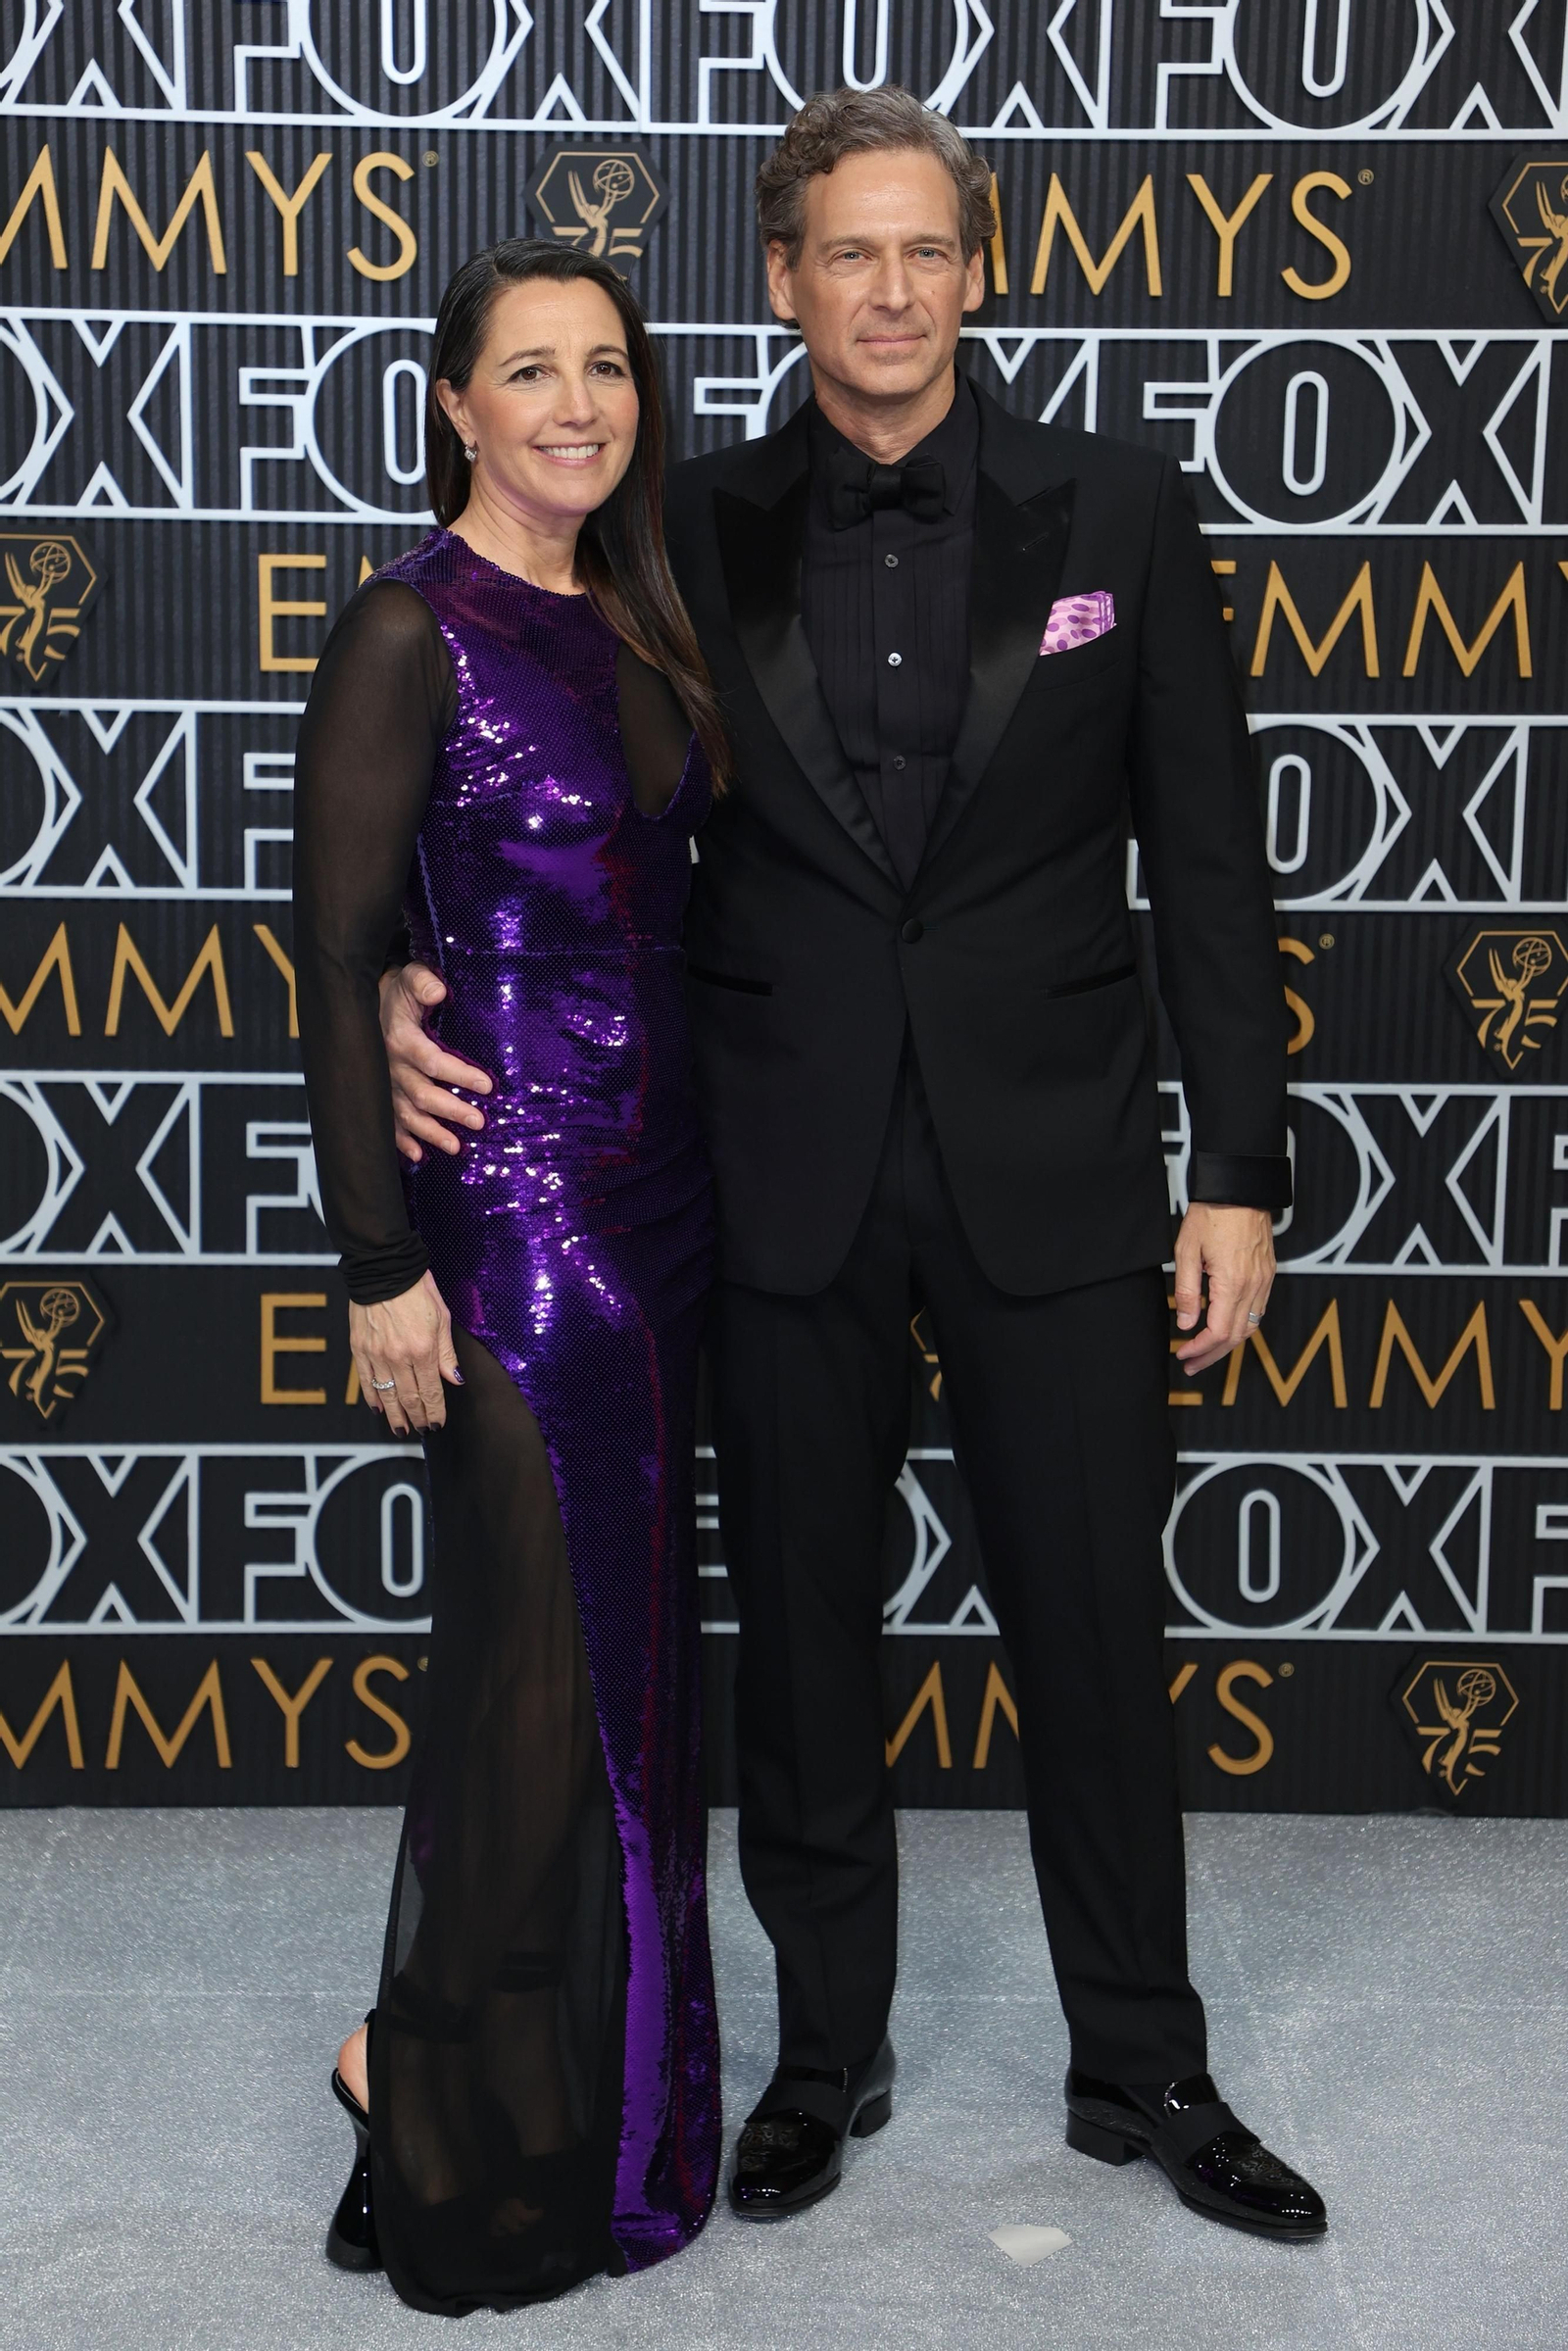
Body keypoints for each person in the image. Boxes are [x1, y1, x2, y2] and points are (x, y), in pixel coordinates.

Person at [378, 88, 1328, 2242]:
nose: (887, 292)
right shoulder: (675, 530)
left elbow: (1206, 860)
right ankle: (822, 2057)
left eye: (925, 253)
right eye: (844, 256)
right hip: (770, 1169)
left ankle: (1144, 2064)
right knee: (802, 1647)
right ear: (784, 278)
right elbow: (526, 785)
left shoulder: (1118, 509)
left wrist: (1239, 1170)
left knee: (1090, 1631)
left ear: (974, 273)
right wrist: (384, 985)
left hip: (1062, 1176)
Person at [291, 238, 728, 2314]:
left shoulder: (636, 614)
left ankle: (562, 2080)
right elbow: (330, 948)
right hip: (512, 1226)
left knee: (620, 1681)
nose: (575, 403)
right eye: (529, 373)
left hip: (666, 1216)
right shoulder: (408, 630)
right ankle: (423, 2072)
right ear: (454, 405)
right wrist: (378, 1259)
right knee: (533, 1687)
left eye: (607, 370)